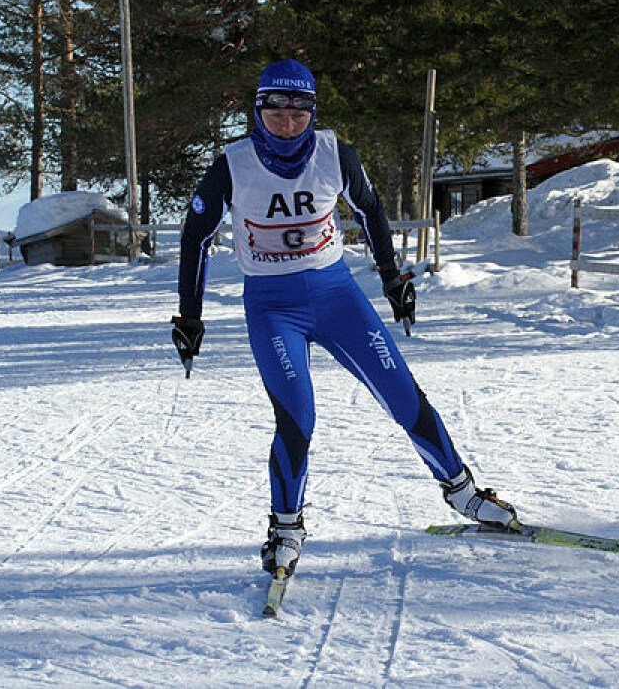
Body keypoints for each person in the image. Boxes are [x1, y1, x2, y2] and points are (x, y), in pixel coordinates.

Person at [171, 59, 519, 578]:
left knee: (403, 393)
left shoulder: (335, 153)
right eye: (276, 115)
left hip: (337, 298)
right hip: (272, 308)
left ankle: (463, 494)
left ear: (312, 112)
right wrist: (190, 316)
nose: (287, 126)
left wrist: (392, 278)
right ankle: (285, 527)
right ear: (258, 111)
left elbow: (371, 211)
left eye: (298, 115)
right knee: (298, 417)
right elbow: (195, 236)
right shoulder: (233, 163)